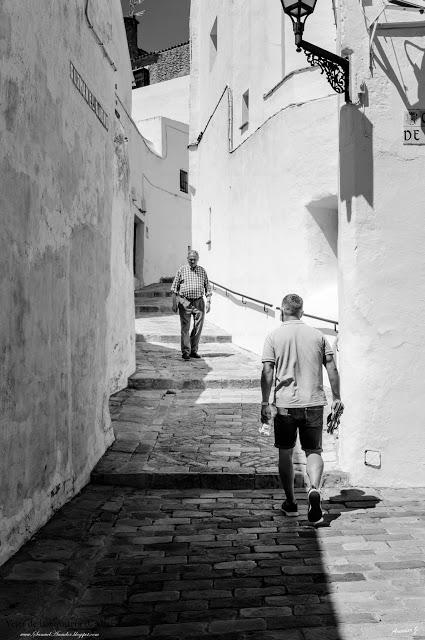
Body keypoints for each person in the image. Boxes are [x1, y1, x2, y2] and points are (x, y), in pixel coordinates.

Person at [260, 293, 343, 525]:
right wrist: (336, 397)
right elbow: (332, 368)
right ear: (302, 311)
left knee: (285, 452)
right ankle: (313, 489)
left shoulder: (274, 336)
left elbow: (267, 371)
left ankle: (291, 503)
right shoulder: (317, 336)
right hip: (314, 402)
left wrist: (265, 402)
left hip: (285, 404)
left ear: (282, 311)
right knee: (313, 451)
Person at [171, 250, 212, 360]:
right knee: (185, 327)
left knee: (198, 327)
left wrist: (208, 301)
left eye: (194, 259)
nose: (192, 261)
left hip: (199, 302)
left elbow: (207, 287)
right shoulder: (182, 270)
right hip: (185, 301)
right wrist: (174, 303)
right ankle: (185, 351)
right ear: (187, 259)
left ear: (197, 259)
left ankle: (193, 350)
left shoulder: (202, 271)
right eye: (190, 259)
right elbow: (174, 288)